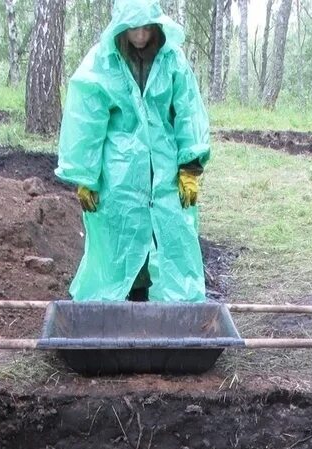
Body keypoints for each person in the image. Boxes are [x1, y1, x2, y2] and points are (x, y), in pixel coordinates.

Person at [55, 0, 210, 303]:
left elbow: (188, 112)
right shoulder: (102, 62)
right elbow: (87, 119)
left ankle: (171, 306)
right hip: (119, 168)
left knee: (170, 232)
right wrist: (86, 176)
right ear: (121, 27)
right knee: (119, 232)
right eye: (132, 27)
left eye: (145, 27)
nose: (140, 34)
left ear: (156, 24)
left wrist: (190, 167)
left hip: (163, 165)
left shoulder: (172, 60)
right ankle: (123, 302)